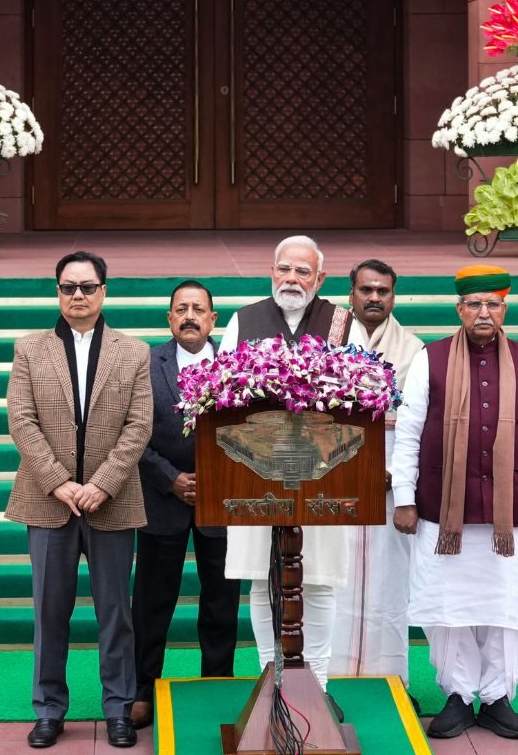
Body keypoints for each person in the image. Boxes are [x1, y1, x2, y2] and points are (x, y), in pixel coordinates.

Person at [390, 265, 518, 741]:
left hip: (515, 512)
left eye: (493, 304)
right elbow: (407, 433)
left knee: (509, 606)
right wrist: (403, 497)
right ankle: (456, 693)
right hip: (446, 510)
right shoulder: (433, 358)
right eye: (474, 304)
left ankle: (496, 696)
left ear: (505, 309)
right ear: (459, 309)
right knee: (449, 607)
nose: (483, 312)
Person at [6, 251, 154, 749]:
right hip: (48, 502)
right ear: (57, 293)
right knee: (50, 612)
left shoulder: (134, 352)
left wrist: (102, 483)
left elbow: (138, 427)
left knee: (116, 612)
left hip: (111, 501)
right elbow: (21, 422)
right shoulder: (30, 350)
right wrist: (59, 482)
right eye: (68, 287)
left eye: (87, 287)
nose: (78, 296)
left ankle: (118, 708)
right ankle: (49, 709)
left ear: (104, 291)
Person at [218, 235, 365, 714]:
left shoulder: (343, 323)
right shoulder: (245, 319)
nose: (292, 279)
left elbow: (366, 396)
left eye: (304, 272)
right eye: (285, 269)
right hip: (256, 475)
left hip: (325, 476)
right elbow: (219, 393)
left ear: (320, 279)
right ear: (271, 272)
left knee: (318, 581)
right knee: (263, 580)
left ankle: (317, 687)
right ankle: (271, 682)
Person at [130, 281, 241, 729]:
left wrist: (216, 478)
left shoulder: (236, 365)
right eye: (181, 309)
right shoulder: (146, 364)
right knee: (152, 601)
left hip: (223, 498)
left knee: (221, 600)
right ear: (169, 318)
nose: (190, 316)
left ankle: (217, 682)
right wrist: (170, 479)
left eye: (199, 309)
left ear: (213, 319)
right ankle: (141, 687)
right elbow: (131, 432)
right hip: (162, 497)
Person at [330, 260, 424, 706]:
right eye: (366, 289)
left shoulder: (414, 349)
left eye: (383, 291)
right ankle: (325, 676)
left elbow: (418, 423)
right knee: (333, 576)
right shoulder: (325, 339)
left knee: (389, 581)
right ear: (350, 292)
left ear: (393, 296)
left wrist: (397, 474)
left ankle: (392, 682)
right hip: (332, 475)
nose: (374, 298)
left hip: (390, 478)